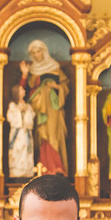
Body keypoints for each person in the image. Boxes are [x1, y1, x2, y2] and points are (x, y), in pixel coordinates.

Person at [19, 39, 70, 175]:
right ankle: (41, 166)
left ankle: (56, 167)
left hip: (53, 108)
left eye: (39, 51)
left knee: (53, 135)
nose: (37, 55)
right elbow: (22, 92)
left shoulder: (55, 68)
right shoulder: (32, 70)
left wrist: (56, 87)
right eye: (33, 53)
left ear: (44, 51)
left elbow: (65, 87)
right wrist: (25, 74)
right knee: (40, 137)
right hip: (37, 107)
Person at [6, 84, 35, 178]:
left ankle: (27, 171)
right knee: (17, 150)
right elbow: (10, 118)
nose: (24, 91)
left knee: (27, 150)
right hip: (17, 134)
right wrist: (19, 111)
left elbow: (31, 116)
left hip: (26, 132)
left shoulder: (28, 106)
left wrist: (26, 111)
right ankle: (16, 171)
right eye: (21, 90)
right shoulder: (13, 106)